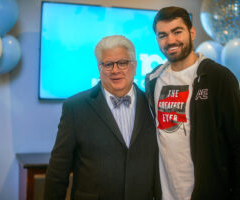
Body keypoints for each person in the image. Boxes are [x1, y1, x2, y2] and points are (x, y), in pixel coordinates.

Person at [145, 6, 240, 200]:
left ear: (192, 32)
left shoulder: (218, 78)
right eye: (163, 35)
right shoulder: (153, 80)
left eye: (177, 31)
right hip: (165, 194)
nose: (170, 40)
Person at [44, 35, 161, 200]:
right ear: (99, 68)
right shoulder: (75, 108)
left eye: (122, 63)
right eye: (107, 64)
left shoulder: (153, 104)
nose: (115, 70)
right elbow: (58, 170)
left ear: (134, 66)